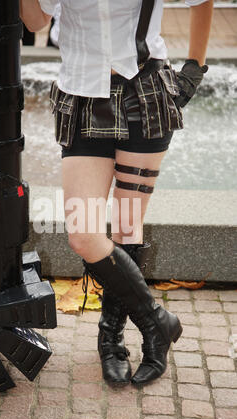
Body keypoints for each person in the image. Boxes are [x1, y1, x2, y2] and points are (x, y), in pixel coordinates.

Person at [20, 0, 213, 387]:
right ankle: (157, 323)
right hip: (82, 94)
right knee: (84, 235)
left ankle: (111, 339)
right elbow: (36, 20)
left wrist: (194, 68)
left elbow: (201, 1)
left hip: (144, 94)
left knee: (127, 227)